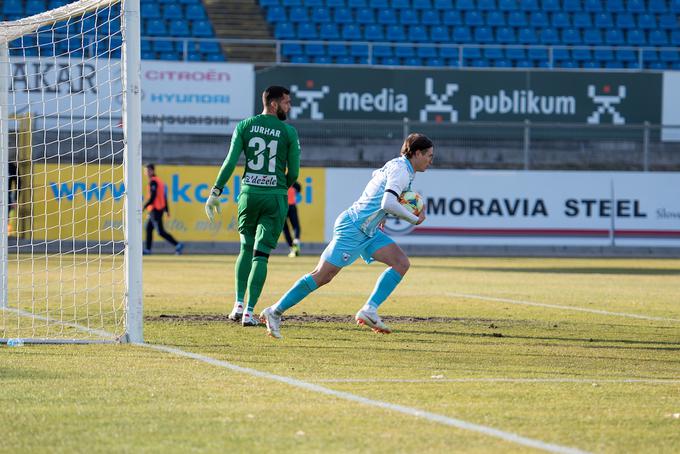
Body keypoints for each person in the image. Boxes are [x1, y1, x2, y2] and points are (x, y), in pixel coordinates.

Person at [259, 133, 434, 339]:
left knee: (401, 263)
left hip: (369, 230)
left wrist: (381, 215)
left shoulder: (400, 167)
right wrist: (413, 220)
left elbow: (375, 177)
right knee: (322, 275)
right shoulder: (402, 171)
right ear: (416, 153)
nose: (431, 160)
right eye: (429, 155)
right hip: (353, 228)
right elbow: (387, 202)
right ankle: (274, 311)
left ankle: (369, 310)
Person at [205, 85, 300, 327]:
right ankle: (249, 312)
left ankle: (237, 304)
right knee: (261, 256)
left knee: (245, 248)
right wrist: (280, 187)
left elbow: (230, 161)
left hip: (248, 194)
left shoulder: (244, 126)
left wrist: (216, 190)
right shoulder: (288, 132)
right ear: (275, 104)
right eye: (287, 102)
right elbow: (294, 172)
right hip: (274, 197)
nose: (289, 107)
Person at [143, 163, 184, 255]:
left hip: (155, 209)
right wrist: (166, 210)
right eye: (145, 170)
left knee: (160, 231)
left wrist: (144, 207)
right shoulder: (159, 181)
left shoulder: (153, 181)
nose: (146, 172)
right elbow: (164, 197)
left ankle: (178, 244)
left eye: (148, 170)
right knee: (148, 228)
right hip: (158, 209)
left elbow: (153, 197)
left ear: (153, 171)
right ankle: (148, 250)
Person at [283, 181, 302, 257]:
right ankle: (296, 241)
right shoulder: (291, 181)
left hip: (283, 206)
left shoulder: (279, 179)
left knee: (285, 228)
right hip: (291, 205)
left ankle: (292, 248)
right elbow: (299, 188)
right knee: (295, 226)